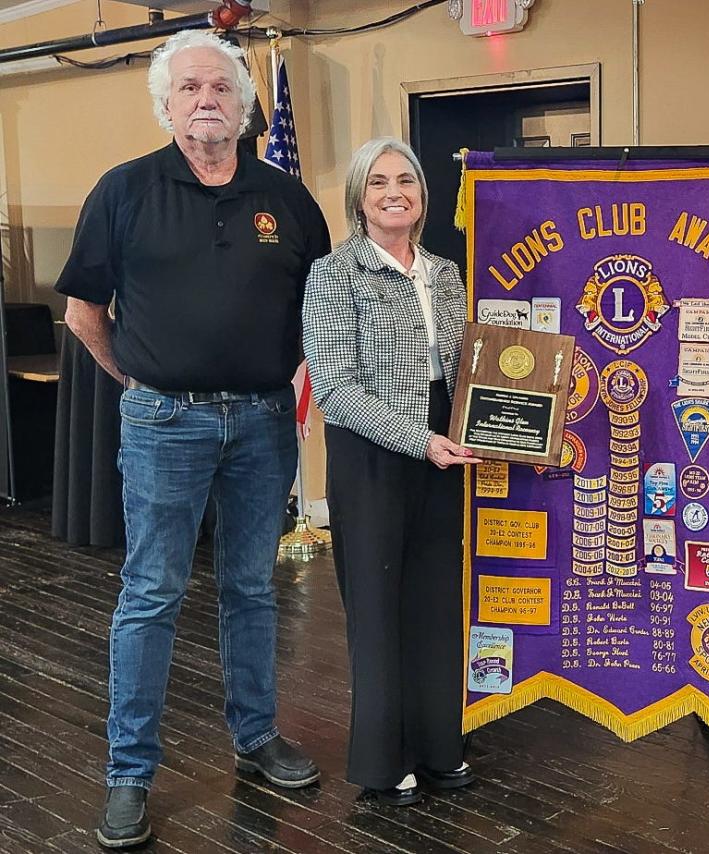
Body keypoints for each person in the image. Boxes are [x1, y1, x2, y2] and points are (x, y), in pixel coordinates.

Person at [54, 30, 331, 849]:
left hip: (262, 423)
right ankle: (128, 774)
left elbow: (322, 309)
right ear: (166, 105)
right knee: (151, 595)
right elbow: (82, 312)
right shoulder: (125, 190)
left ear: (244, 105)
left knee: (250, 590)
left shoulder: (288, 199)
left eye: (220, 86)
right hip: (162, 423)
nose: (206, 99)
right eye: (189, 89)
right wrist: (135, 382)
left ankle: (256, 738)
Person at [303, 137, 476, 807]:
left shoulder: (444, 273)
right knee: (376, 610)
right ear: (358, 198)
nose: (393, 191)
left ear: (423, 195)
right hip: (374, 452)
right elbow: (335, 389)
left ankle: (439, 747)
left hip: (441, 447)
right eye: (377, 182)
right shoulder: (334, 274)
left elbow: (466, 370)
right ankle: (383, 761)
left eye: (406, 179)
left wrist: (483, 424)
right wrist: (421, 439)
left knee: (436, 601)